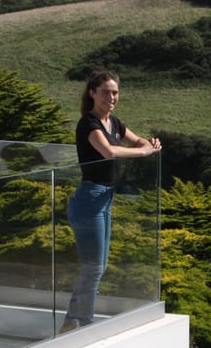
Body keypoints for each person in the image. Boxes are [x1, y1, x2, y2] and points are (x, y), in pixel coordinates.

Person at [61, 70, 162, 333]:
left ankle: (72, 323)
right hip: (89, 199)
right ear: (92, 93)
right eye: (105, 92)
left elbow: (138, 140)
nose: (112, 97)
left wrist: (149, 144)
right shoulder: (89, 123)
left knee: (97, 267)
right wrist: (143, 152)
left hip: (104, 199)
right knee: (94, 268)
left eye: (115, 92)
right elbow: (108, 151)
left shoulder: (114, 123)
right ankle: (84, 325)